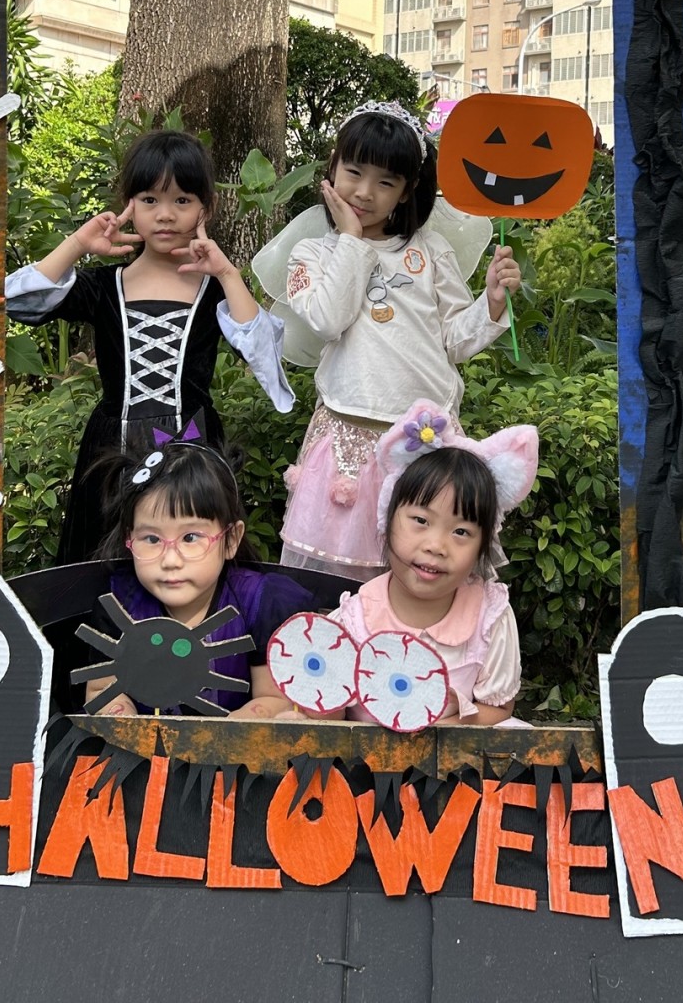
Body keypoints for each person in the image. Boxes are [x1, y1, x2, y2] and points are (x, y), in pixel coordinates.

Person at [6, 129, 293, 563]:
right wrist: (79, 244)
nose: (165, 214)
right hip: (111, 453)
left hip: (193, 450)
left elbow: (265, 356)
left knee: (190, 563)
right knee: (105, 570)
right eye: (149, 199)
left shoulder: (216, 291)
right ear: (129, 205)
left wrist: (227, 274)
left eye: (182, 200)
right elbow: (16, 301)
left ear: (206, 207)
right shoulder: (105, 287)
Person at [275, 100, 520, 580]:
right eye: (354, 172)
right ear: (332, 170)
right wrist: (351, 239)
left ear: (407, 191)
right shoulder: (311, 254)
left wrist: (491, 302)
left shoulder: (430, 250)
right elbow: (327, 319)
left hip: (425, 438)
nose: (365, 192)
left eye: (386, 182)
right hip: (346, 435)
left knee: (424, 570)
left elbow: (453, 340)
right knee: (337, 582)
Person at [291, 402, 537, 726]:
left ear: (482, 546)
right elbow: (329, 719)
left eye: (461, 532)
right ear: (387, 520)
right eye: (420, 520)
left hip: (456, 755)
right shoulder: (352, 621)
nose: (436, 546)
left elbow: (499, 709)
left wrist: (442, 732)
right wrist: (323, 696)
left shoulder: (489, 619)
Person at [84, 440, 312, 720]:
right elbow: (103, 688)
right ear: (129, 538)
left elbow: (274, 698)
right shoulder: (119, 606)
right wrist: (124, 722)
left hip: (237, 745)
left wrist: (232, 730)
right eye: (151, 539)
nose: (170, 560)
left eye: (191, 538)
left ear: (231, 539)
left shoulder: (260, 604)